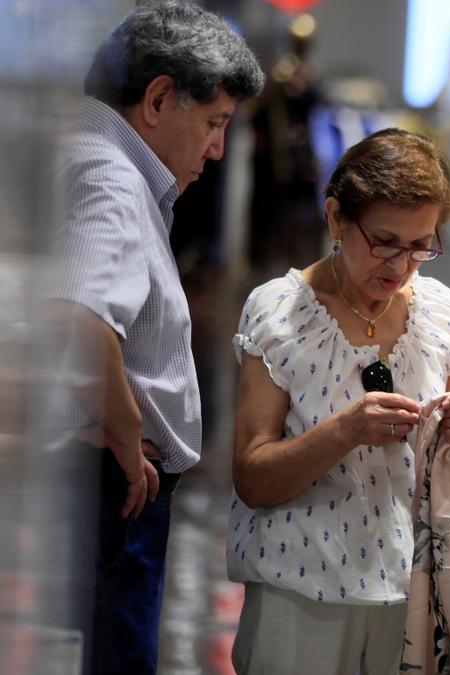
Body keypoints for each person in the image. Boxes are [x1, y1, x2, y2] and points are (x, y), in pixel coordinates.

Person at [227, 128, 450, 674]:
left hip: (413, 594)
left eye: (420, 245)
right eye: (383, 241)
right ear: (335, 219)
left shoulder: (440, 311)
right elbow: (253, 478)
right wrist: (344, 430)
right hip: (300, 591)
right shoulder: (280, 314)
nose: (399, 266)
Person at [48, 2, 263, 673]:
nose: (217, 148)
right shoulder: (109, 179)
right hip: (117, 481)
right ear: (159, 98)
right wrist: (125, 433)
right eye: (214, 122)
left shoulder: (105, 163)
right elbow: (82, 318)